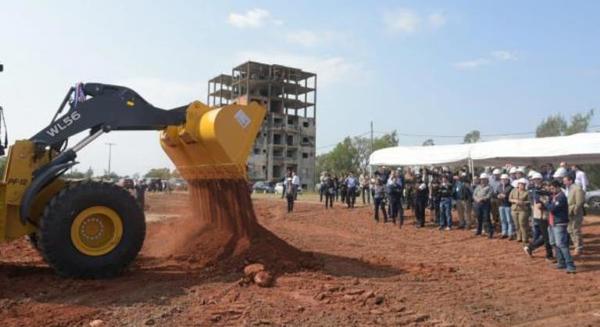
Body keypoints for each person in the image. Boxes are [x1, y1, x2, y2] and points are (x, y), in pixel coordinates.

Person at [546, 180, 576, 273]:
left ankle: (570, 265)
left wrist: (546, 202)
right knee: (554, 243)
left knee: (561, 244)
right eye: (550, 188)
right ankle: (561, 262)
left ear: (558, 187)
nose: (551, 190)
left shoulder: (561, 197)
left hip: (559, 223)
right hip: (553, 222)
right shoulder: (554, 196)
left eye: (552, 188)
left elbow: (552, 208)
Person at [524, 174, 554, 260]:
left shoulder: (542, 189)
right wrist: (550, 205)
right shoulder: (536, 191)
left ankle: (530, 247)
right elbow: (540, 205)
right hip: (541, 216)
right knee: (547, 236)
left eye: (537, 179)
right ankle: (549, 255)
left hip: (544, 215)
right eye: (534, 180)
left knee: (546, 236)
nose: (536, 181)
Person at [564, 175, 585, 256]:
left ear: (570, 181)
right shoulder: (568, 189)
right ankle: (578, 245)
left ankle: (578, 247)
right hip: (569, 212)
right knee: (570, 229)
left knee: (575, 230)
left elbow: (579, 202)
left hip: (575, 213)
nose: (564, 182)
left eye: (565, 180)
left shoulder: (577, 189)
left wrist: (574, 210)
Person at [510, 178, 530, 243]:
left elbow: (529, 201)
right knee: (516, 224)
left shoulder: (527, 192)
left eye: (523, 184)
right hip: (514, 209)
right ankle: (519, 237)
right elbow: (510, 198)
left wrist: (523, 202)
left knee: (523, 224)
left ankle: (525, 238)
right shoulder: (513, 190)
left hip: (523, 210)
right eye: (520, 184)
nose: (521, 185)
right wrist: (514, 201)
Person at [473, 173, 494, 238]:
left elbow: (489, 195)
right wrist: (477, 199)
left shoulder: (489, 187)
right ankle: (479, 231)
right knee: (479, 217)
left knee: (487, 218)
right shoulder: (478, 187)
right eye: (482, 179)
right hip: (478, 204)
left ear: (487, 180)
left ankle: (489, 232)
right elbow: (474, 194)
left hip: (485, 204)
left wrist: (482, 199)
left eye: (484, 179)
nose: (483, 181)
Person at [497, 174, 515, 239]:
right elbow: (496, 194)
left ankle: (510, 233)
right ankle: (504, 232)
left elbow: (512, 196)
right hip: (501, 205)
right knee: (503, 220)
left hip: (508, 205)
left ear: (508, 180)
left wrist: (506, 196)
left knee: (509, 220)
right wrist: (498, 196)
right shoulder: (499, 187)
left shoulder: (511, 187)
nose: (503, 180)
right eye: (502, 179)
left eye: (505, 179)